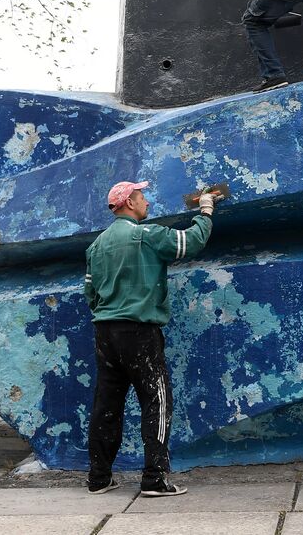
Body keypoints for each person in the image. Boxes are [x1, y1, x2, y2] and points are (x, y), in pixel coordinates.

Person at [84, 180, 214, 497]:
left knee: (107, 405)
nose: (148, 203)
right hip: (139, 331)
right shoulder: (147, 236)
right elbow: (191, 242)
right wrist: (206, 211)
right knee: (156, 400)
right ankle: (154, 479)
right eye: (142, 197)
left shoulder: (97, 246)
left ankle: (99, 478)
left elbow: (90, 292)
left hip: (104, 332)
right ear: (129, 202)